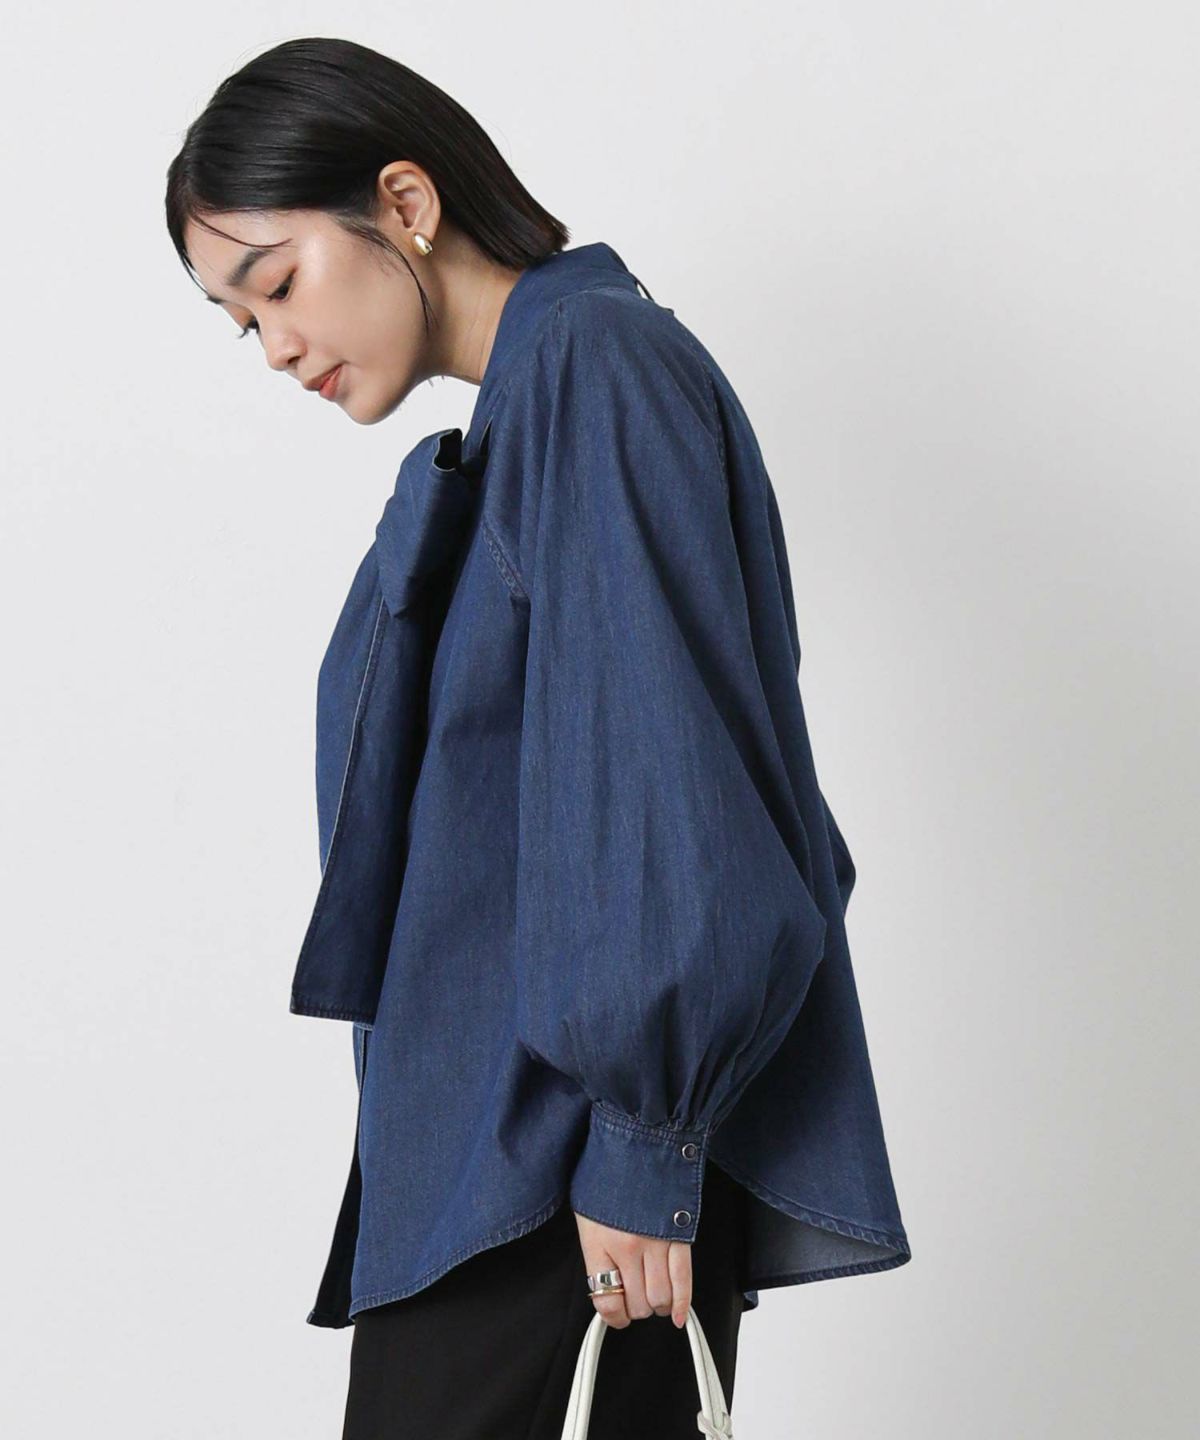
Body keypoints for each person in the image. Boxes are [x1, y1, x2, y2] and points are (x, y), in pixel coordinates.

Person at [166, 36, 911, 1440]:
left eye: (276, 283)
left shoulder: (595, 367)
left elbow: (672, 771)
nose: (274, 347)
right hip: (499, 1169)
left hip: (564, 1179)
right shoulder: (525, 417)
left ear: (404, 203)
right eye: (238, 322)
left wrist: (643, 1139)